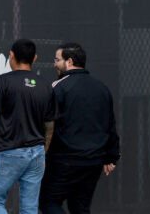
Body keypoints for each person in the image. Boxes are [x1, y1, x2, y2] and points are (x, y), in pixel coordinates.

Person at [0, 39, 56, 214]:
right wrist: (43, 153)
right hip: (37, 152)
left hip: (9, 151)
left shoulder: (2, 82)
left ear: (12, 55)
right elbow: (50, 125)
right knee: (30, 207)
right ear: (35, 58)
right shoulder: (45, 85)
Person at [39, 43, 120, 214]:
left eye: (57, 59)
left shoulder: (59, 87)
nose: (54, 64)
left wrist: (42, 153)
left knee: (48, 202)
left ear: (69, 61)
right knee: (80, 207)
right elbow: (110, 124)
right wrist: (111, 156)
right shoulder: (102, 89)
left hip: (64, 160)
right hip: (93, 161)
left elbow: (48, 123)